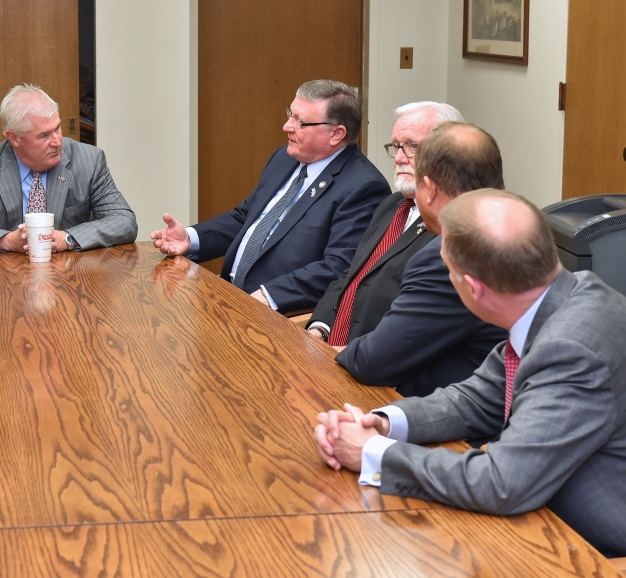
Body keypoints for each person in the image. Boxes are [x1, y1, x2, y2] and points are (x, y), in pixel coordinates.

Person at [313, 188, 626, 558]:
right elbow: (478, 399)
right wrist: (382, 423)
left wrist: (374, 454)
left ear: (472, 287)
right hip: (541, 515)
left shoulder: (570, 349)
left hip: (593, 549)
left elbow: (502, 482)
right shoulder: (561, 297)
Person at [151, 79, 390, 314]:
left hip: (277, 316)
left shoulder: (364, 187)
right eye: (291, 114)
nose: (287, 126)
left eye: (300, 122)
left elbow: (339, 266)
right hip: (227, 298)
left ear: (336, 134)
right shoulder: (285, 158)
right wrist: (191, 239)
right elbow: (246, 218)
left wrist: (270, 295)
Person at [329, 122, 508, 397]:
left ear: (430, 189)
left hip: (447, 415)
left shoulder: (448, 255)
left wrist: (329, 354)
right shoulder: (508, 228)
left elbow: (374, 360)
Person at [307, 102, 463, 345]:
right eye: (396, 146)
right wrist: (320, 327)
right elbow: (353, 272)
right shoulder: (392, 204)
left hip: (376, 363)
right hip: (332, 347)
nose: (399, 158)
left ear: (449, 152)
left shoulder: (452, 224)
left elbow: (417, 327)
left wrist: (348, 354)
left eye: (412, 146)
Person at [0, 84, 138, 253]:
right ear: (14, 137)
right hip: (1, 281)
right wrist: (6, 240)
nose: (58, 142)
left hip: (70, 278)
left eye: (57, 128)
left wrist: (68, 238)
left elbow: (124, 221)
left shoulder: (89, 160)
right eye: (44, 136)